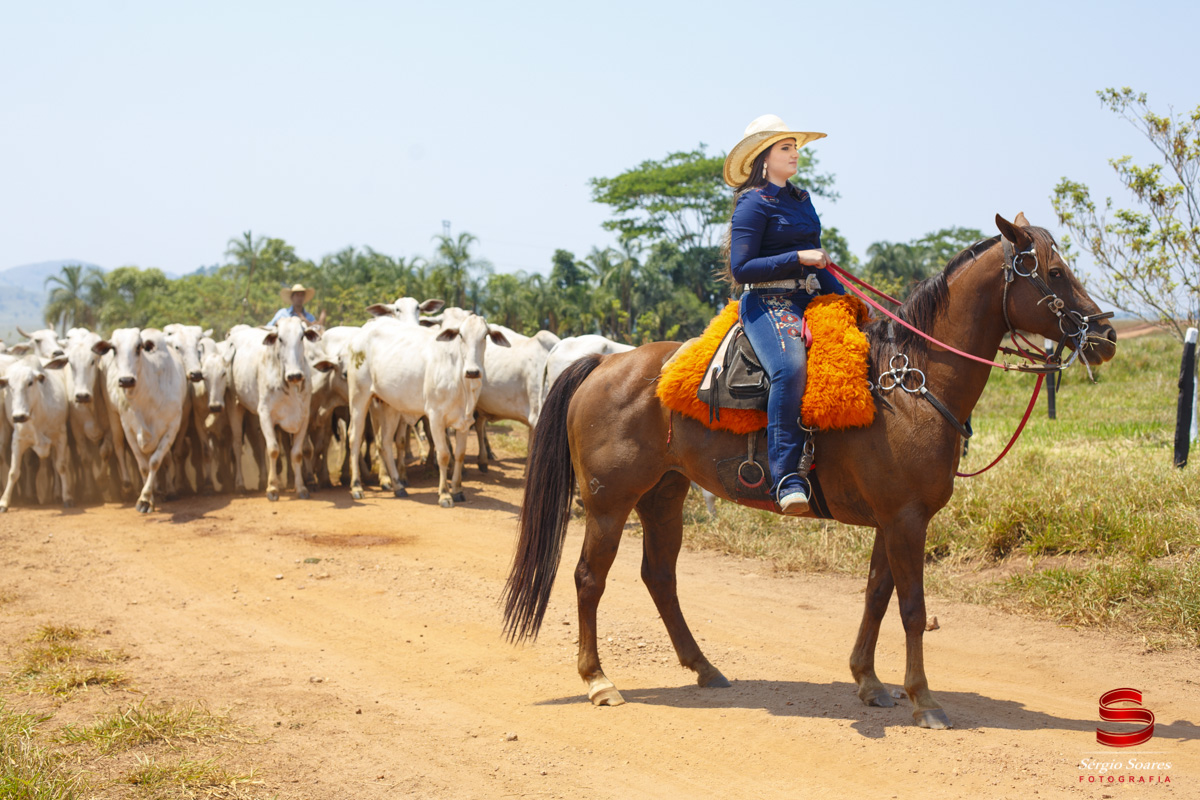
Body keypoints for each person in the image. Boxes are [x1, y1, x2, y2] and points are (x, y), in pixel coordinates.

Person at [721, 114, 845, 515]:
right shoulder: (753, 203)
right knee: (790, 369)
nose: (794, 154)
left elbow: (819, 261)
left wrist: (846, 302)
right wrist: (797, 257)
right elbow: (742, 269)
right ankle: (787, 477)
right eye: (785, 148)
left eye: (794, 147)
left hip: (809, 296)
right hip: (764, 302)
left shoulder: (801, 199)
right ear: (764, 157)